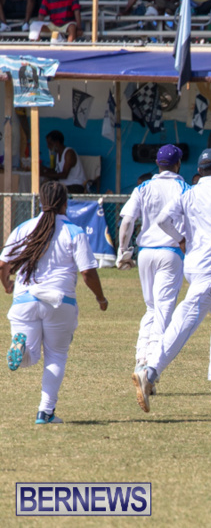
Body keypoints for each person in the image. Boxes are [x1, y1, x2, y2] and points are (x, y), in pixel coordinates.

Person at [132, 149, 211, 413]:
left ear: (199, 170)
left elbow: (163, 220)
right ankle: (149, 373)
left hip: (193, 268)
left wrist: (180, 239)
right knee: (184, 322)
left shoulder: (189, 193)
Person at [1, 182, 108, 425]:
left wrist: (7, 285)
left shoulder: (23, 228)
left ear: (40, 201)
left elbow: (3, 264)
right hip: (60, 302)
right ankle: (45, 412)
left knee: (30, 357)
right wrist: (100, 298)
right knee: (56, 356)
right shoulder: (74, 231)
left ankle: (21, 347)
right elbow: (87, 272)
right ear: (65, 202)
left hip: (24, 299)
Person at [117, 144, 190, 383]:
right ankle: (149, 369)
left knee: (151, 308)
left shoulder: (143, 187)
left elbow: (127, 222)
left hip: (145, 253)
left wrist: (122, 250)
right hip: (171, 252)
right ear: (178, 164)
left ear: (157, 164)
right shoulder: (184, 188)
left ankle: (141, 359)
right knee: (163, 312)